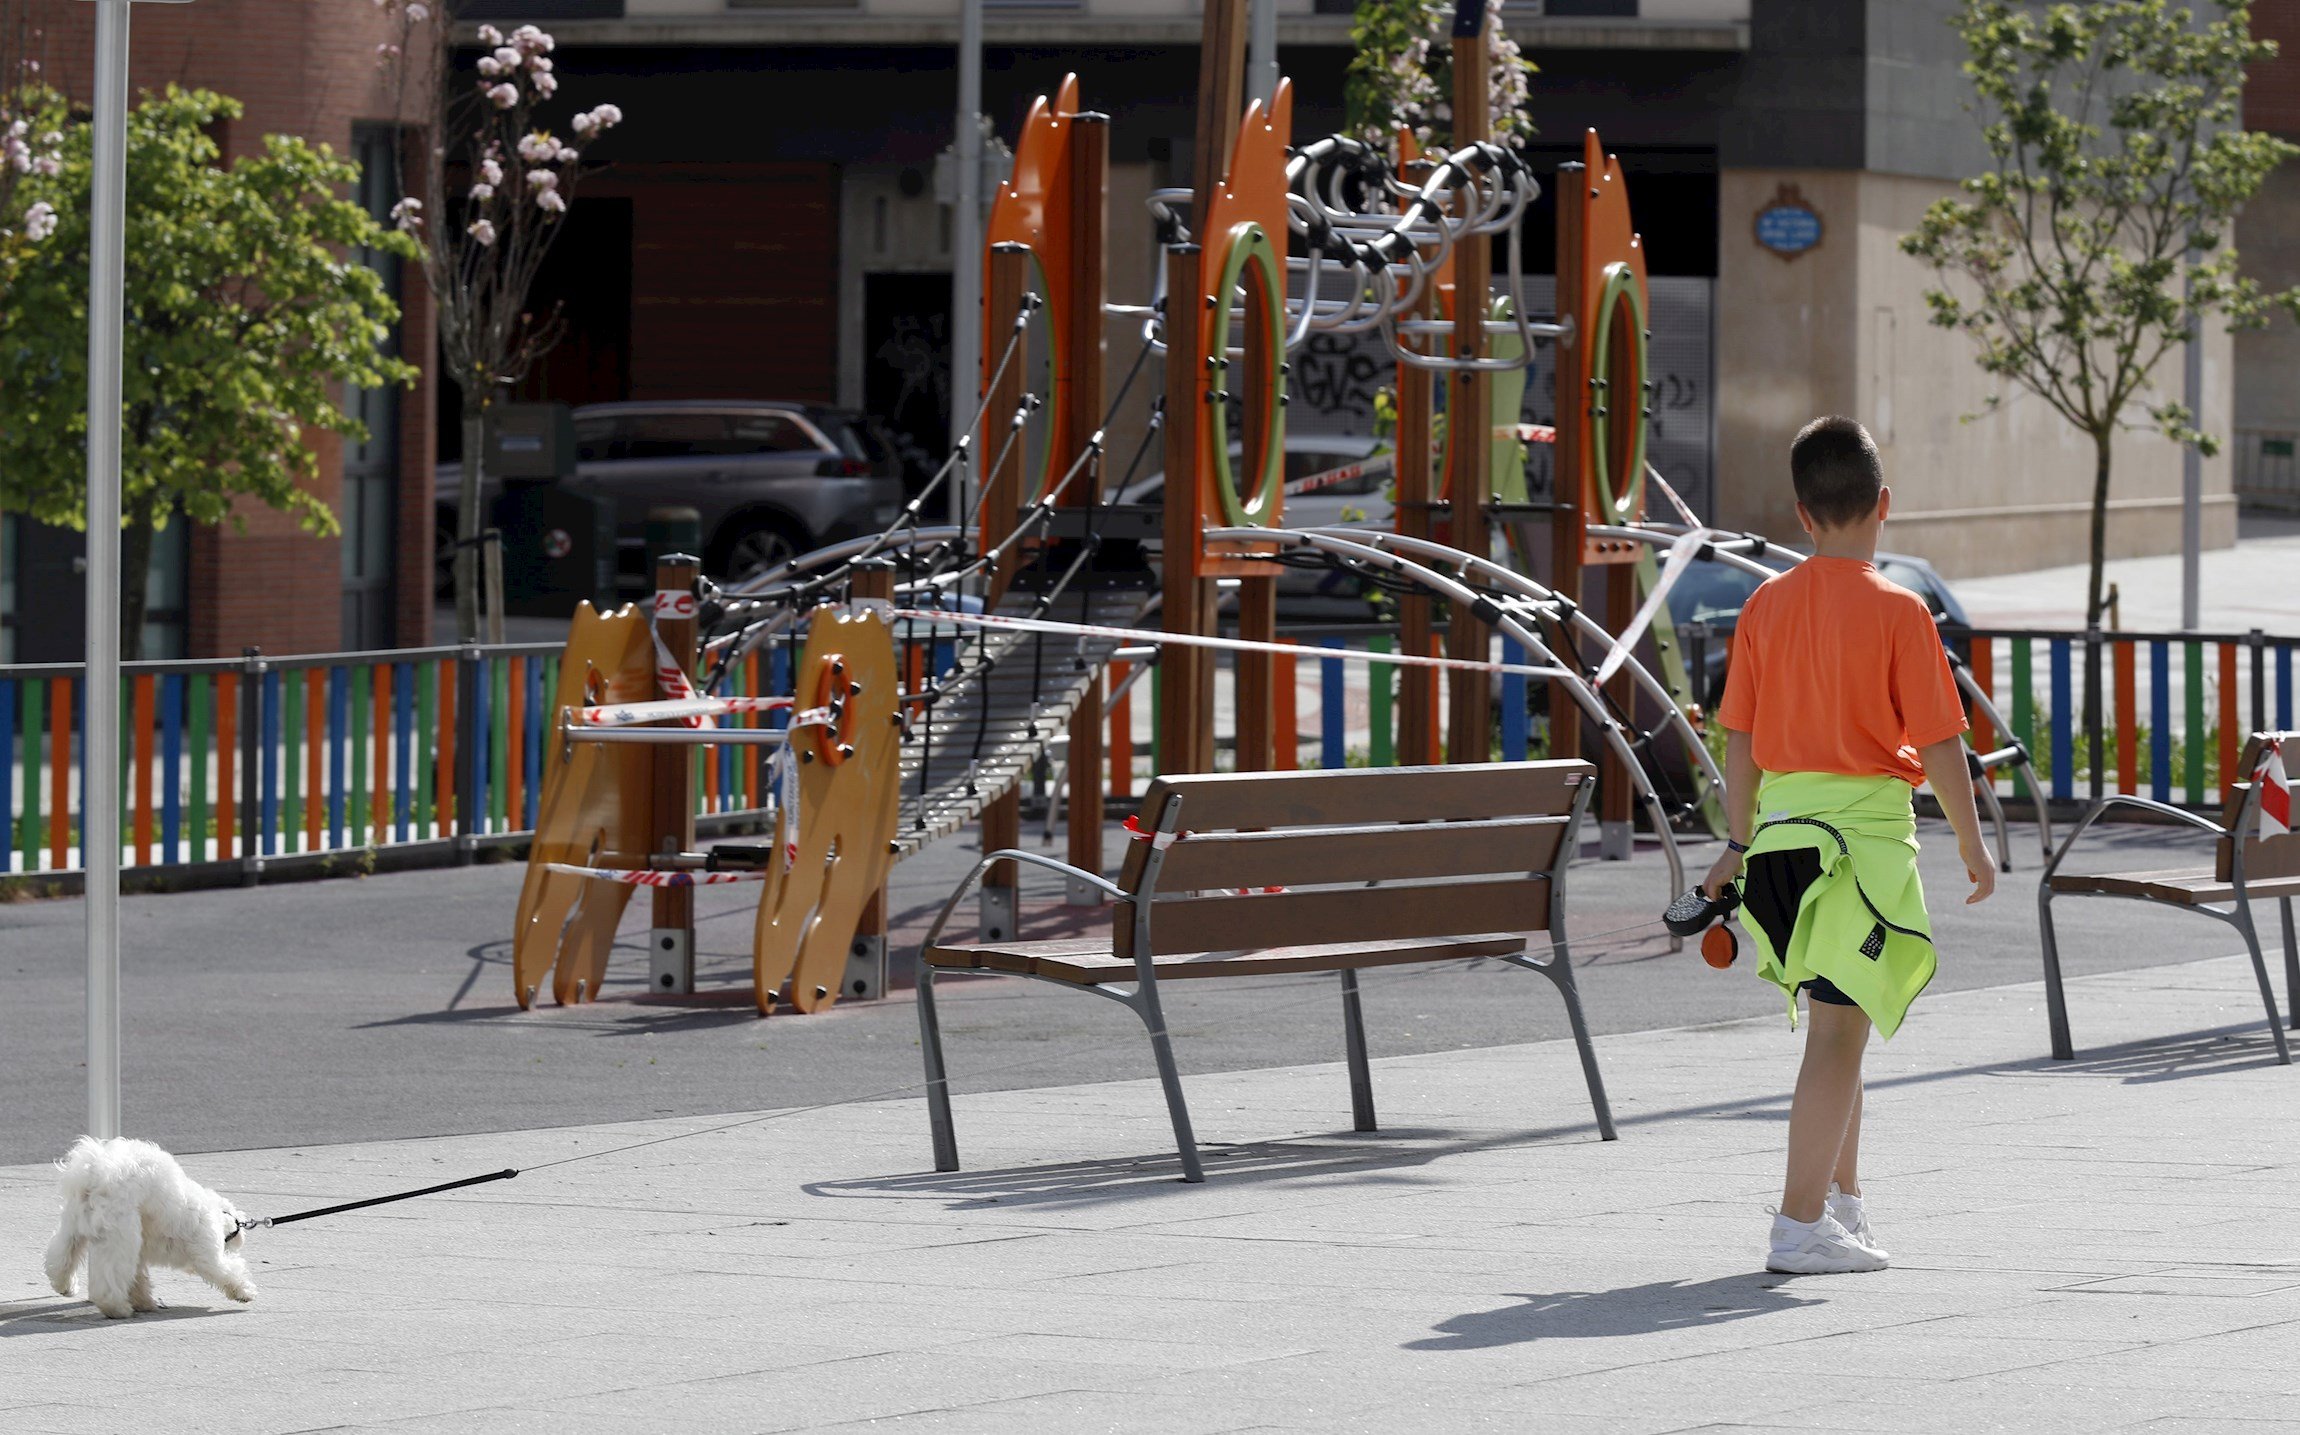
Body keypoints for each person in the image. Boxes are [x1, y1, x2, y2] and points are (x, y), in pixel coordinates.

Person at [1702, 416, 1996, 1275]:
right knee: (1837, 1036)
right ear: (1885, 506)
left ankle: (1840, 1206)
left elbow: (1741, 739)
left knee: (1843, 1021)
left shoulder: (1765, 605)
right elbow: (1941, 743)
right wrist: (1975, 850)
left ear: (1801, 511)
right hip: (1859, 849)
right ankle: (1798, 1228)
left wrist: (1735, 841)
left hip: (1783, 851)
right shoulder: (1901, 610)